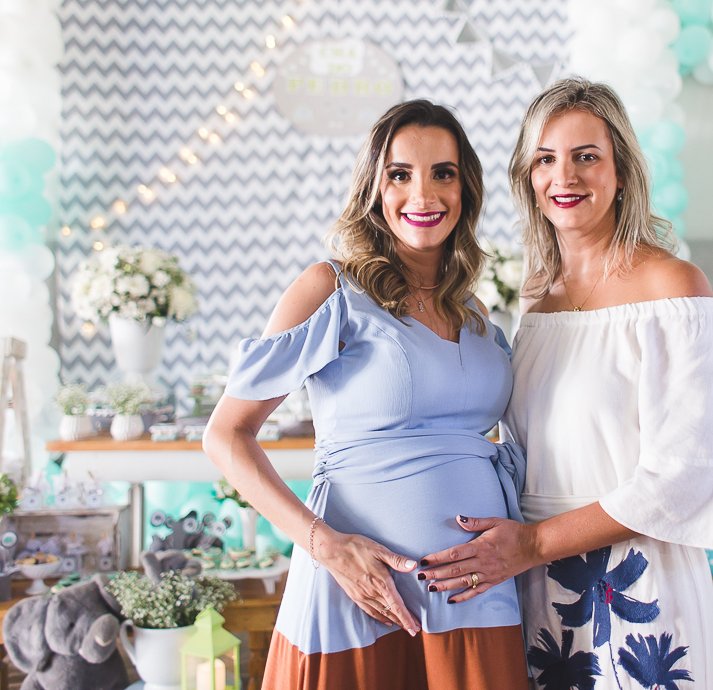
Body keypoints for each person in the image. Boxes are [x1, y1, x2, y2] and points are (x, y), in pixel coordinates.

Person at [417, 78, 713, 689]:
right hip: (534, 582)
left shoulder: (673, 289)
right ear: (528, 178)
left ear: (621, 171)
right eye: (545, 159)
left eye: (586, 156)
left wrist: (534, 544)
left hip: (638, 578)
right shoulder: (540, 296)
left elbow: (687, 475)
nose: (563, 176)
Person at [203, 100, 529, 690]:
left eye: (443, 173)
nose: (423, 195)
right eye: (400, 174)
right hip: (361, 598)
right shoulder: (332, 290)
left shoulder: (478, 312)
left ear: (466, 188)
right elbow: (226, 435)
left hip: (478, 598)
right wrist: (322, 544)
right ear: (373, 189)